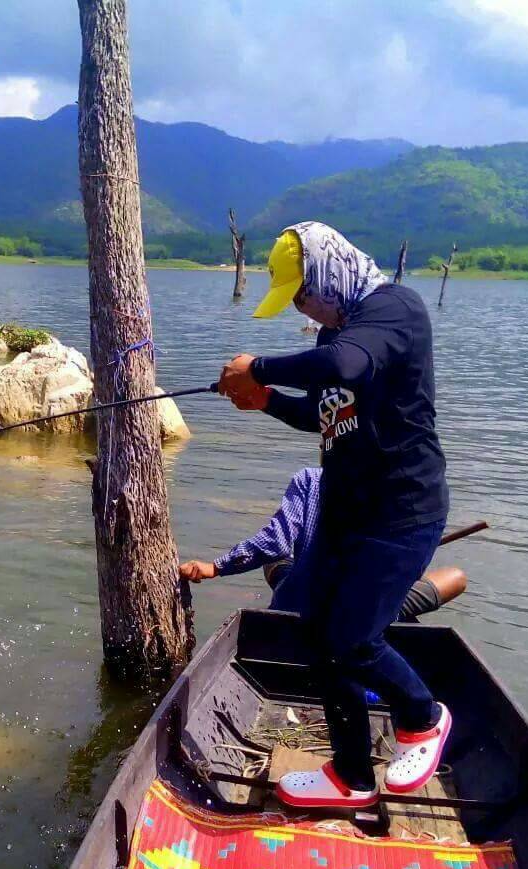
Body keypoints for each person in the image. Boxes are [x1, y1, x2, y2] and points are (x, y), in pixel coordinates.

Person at [215, 222, 451, 808]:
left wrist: (261, 369)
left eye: (303, 292)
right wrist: (265, 401)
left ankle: (423, 717)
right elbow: (328, 418)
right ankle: (352, 775)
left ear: (328, 272)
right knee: (317, 635)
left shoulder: (394, 310)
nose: (302, 306)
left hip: (401, 513)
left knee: (354, 637)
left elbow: (347, 367)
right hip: (345, 513)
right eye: (292, 298)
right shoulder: (334, 333)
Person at [178, 467, 466, 621]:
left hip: (298, 600)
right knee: (456, 577)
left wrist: (215, 568)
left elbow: (274, 543)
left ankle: (288, 577)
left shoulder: (309, 480)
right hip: (366, 609)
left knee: (276, 557)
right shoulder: (395, 494)